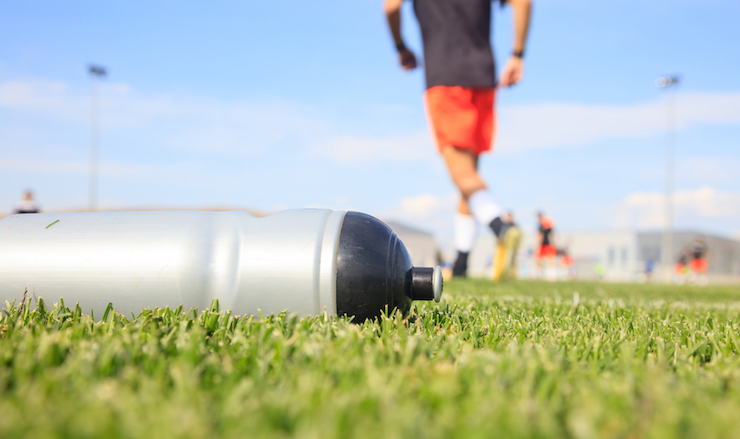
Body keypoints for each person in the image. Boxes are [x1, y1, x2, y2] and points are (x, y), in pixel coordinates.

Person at [384, 0, 532, 278]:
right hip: (483, 75)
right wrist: (518, 54)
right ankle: (462, 262)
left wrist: (401, 48)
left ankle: (501, 227)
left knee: (461, 173)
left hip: (444, 75)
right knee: (471, 177)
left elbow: (391, 7)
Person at [535, 212, 556, 281]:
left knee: (547, 261)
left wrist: (537, 245)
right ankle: (542, 276)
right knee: (542, 261)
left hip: (545, 245)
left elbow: (540, 236)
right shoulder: (548, 225)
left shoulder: (542, 225)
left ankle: (550, 276)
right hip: (547, 245)